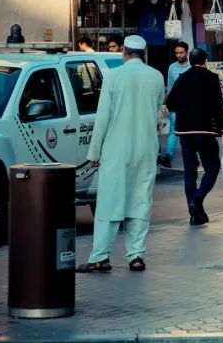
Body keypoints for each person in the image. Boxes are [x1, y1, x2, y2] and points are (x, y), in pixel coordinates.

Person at [77, 35, 163, 273]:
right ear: (143, 53)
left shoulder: (113, 77)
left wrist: (94, 152)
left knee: (109, 203)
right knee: (140, 201)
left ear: (124, 51)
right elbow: (159, 113)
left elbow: (103, 117)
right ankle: (136, 255)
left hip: (116, 148)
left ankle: (100, 256)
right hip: (146, 148)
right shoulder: (156, 76)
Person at [165, 48, 223, 226]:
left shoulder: (182, 78)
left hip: (184, 131)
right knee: (213, 167)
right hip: (205, 130)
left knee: (190, 171)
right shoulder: (211, 78)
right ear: (205, 60)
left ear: (190, 61)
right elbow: (217, 106)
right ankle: (198, 199)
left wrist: (184, 110)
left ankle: (195, 214)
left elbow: (170, 102)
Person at [158, 42, 191, 168]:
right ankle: (168, 156)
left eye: (181, 52)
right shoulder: (172, 67)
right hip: (176, 104)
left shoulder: (193, 65)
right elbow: (170, 86)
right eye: (176, 53)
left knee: (192, 131)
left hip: (191, 104)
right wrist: (168, 103)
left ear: (186, 52)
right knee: (174, 130)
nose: (178, 55)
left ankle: (196, 157)